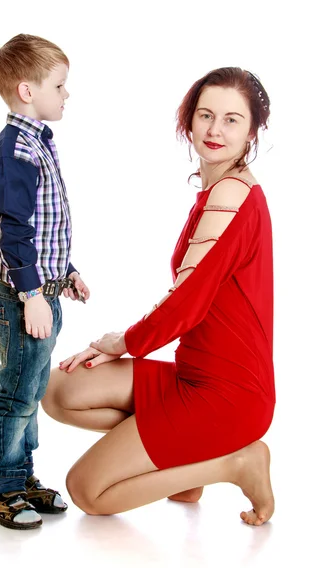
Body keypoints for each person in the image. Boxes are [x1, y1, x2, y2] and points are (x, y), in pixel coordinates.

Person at [42, 67, 275, 527]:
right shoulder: (218, 190)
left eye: (231, 119)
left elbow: (185, 303)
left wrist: (122, 342)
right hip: (193, 375)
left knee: (87, 490)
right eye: (205, 115)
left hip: (228, 396)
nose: (214, 129)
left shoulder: (232, 197)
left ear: (251, 131)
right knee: (59, 391)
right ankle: (181, 468)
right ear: (188, 121)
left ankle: (236, 463)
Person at [0, 34, 90, 530]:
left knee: (32, 388)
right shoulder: (16, 152)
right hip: (24, 298)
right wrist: (29, 295)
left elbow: (46, 227)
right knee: (16, 394)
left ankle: (22, 477)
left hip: (42, 292)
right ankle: (3, 488)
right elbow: (15, 231)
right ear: (28, 90)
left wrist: (65, 276)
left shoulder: (37, 142)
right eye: (60, 85)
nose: (67, 94)